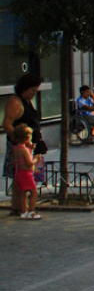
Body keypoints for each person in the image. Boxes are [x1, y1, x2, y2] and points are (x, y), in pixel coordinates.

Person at [4, 73, 46, 215]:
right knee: (20, 177)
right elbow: (7, 124)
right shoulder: (16, 102)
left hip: (29, 145)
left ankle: (20, 207)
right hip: (20, 147)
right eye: (32, 90)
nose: (34, 93)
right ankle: (18, 207)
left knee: (25, 176)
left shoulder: (27, 101)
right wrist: (22, 141)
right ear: (25, 88)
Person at [11, 124, 42, 220]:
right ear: (27, 137)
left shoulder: (16, 148)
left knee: (23, 193)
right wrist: (36, 159)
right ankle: (31, 212)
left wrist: (30, 150)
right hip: (26, 174)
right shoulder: (24, 150)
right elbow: (29, 163)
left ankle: (23, 211)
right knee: (34, 192)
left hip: (19, 173)